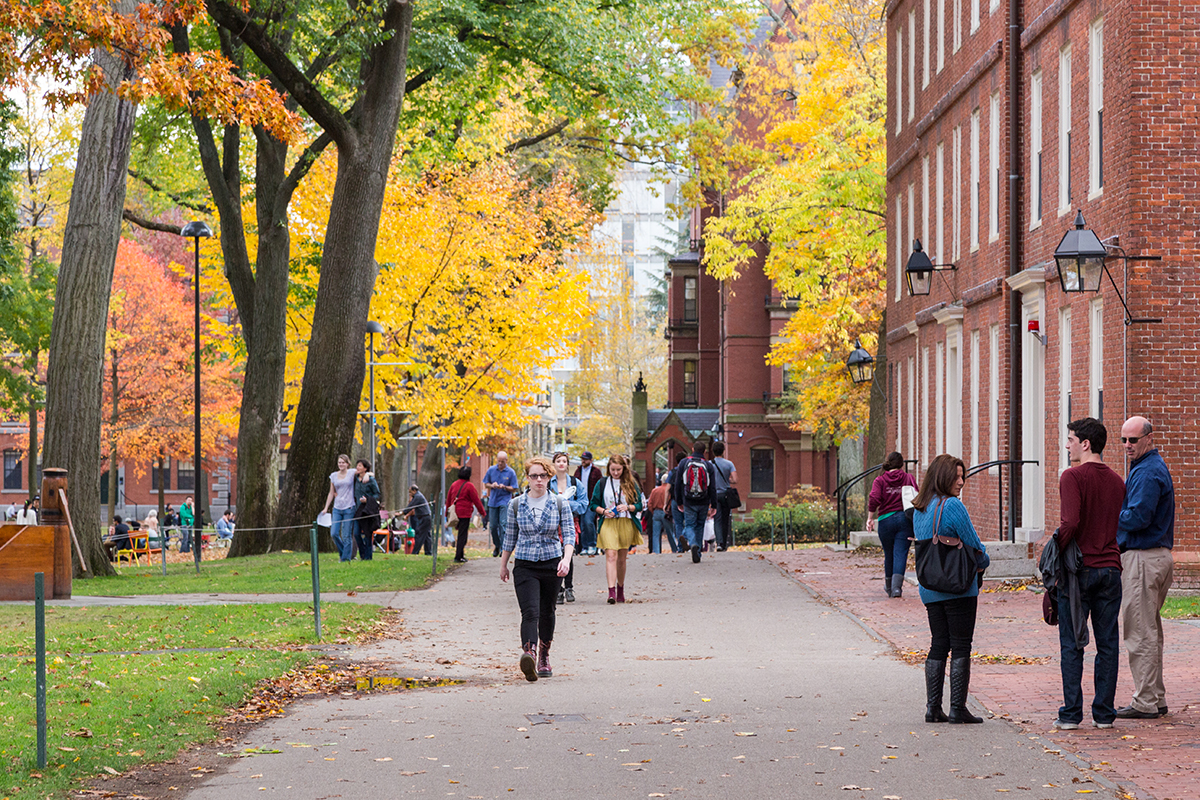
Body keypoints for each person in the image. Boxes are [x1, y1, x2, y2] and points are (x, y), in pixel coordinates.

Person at [1052, 417, 1125, 730]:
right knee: (1107, 643)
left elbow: (1069, 523)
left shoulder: (1072, 477)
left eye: (1070, 439)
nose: (1066, 445)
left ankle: (1071, 714)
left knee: (1072, 642)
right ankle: (1104, 714)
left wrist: (1055, 548)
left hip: (1079, 571)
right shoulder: (1118, 481)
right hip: (1110, 569)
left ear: (1086, 443)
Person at [911, 453, 990, 724]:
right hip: (958, 587)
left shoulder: (919, 508)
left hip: (929, 588)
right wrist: (984, 562)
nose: (961, 481)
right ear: (942, 477)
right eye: (956, 476)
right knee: (960, 645)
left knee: (938, 644)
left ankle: (933, 708)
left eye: (962, 476)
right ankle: (958, 708)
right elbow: (974, 546)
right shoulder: (952, 506)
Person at [1115, 415, 1176, 720]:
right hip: (1155, 557)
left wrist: (1109, 515)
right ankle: (1156, 697)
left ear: (1149, 439)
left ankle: (1145, 701)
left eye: (1133, 440)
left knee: (1139, 632)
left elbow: (1139, 517)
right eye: (1123, 439)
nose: (1127, 445)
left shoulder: (1148, 472)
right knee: (1149, 630)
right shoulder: (1147, 468)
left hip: (1143, 558)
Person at [500, 456, 575, 681]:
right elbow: (510, 536)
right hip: (525, 564)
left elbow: (569, 535)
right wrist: (503, 564)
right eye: (534, 476)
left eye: (543, 476)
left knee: (547, 611)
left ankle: (544, 654)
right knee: (530, 611)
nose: (539, 480)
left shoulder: (560, 503)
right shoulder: (515, 504)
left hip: (552, 563)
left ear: (549, 477)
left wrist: (566, 559)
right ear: (528, 478)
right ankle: (529, 654)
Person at [590, 454, 644, 603]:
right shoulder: (602, 483)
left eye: (618, 469)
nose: (615, 473)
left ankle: (620, 589)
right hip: (608, 522)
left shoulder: (630, 483)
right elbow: (593, 504)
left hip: (625, 522)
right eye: (612, 469)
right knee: (611, 555)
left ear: (624, 469)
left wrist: (628, 507)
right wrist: (603, 511)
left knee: (621, 559)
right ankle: (611, 591)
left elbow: (640, 504)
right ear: (608, 468)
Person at [867, 452, 920, 598]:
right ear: (901, 464)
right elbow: (918, 496)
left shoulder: (880, 480)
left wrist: (870, 518)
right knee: (901, 553)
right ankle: (897, 588)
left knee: (888, 553)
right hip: (905, 519)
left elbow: (874, 498)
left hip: (885, 520)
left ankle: (889, 586)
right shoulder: (909, 478)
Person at [549, 451, 588, 604]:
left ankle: (569, 587)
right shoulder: (548, 483)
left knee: (568, 554)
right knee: (555, 554)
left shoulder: (575, 482)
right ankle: (558, 589)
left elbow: (584, 504)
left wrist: (566, 503)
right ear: (554, 464)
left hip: (570, 521)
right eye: (558, 461)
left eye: (564, 461)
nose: (561, 464)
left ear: (567, 464)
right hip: (552, 523)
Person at [673, 441, 716, 563]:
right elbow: (712, 487)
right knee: (700, 525)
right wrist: (714, 504)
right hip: (703, 500)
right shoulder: (708, 465)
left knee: (690, 524)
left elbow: (678, 484)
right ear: (705, 451)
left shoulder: (684, 463)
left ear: (692, 449)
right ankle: (697, 551)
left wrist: (679, 501)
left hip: (689, 500)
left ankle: (692, 543)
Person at [320, 455, 357, 562]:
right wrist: (326, 508)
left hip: (349, 507)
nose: (341, 464)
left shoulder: (351, 473)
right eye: (339, 462)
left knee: (346, 535)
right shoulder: (333, 476)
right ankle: (344, 553)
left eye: (343, 462)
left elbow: (366, 472)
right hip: (337, 507)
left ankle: (345, 559)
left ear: (347, 464)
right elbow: (331, 493)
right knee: (334, 533)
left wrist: (368, 475)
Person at [447, 465, 485, 563]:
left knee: (460, 534)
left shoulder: (454, 484)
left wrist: (447, 511)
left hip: (455, 512)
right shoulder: (469, 486)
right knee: (462, 535)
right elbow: (476, 500)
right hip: (465, 513)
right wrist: (482, 512)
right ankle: (458, 556)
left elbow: (448, 499)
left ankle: (460, 554)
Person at [483, 451, 519, 557]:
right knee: (493, 526)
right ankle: (497, 545)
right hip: (493, 501)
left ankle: (504, 548)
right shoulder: (491, 470)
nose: (500, 463)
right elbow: (486, 484)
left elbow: (514, 488)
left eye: (502, 461)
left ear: (506, 461)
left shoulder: (511, 472)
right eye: (498, 461)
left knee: (503, 524)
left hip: (504, 500)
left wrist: (505, 487)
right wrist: (492, 485)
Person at [573, 451, 604, 555]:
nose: (583, 461)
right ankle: (584, 547)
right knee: (582, 525)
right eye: (582, 459)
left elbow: (600, 487)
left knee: (588, 522)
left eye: (585, 459)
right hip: (580, 501)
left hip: (591, 502)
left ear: (591, 460)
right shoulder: (578, 471)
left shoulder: (596, 471)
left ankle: (592, 545)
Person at [710, 441, 738, 551]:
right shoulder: (729, 464)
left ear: (713, 451)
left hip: (715, 494)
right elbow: (735, 479)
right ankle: (725, 543)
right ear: (723, 451)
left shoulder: (709, 464)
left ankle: (719, 543)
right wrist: (728, 480)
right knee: (726, 518)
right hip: (726, 494)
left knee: (717, 519)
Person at [353, 459, 381, 561]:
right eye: (357, 465)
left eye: (360, 466)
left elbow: (377, 493)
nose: (357, 467)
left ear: (365, 468)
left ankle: (368, 557)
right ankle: (363, 554)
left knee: (368, 534)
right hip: (357, 510)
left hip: (367, 510)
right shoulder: (355, 478)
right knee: (356, 533)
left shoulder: (371, 480)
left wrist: (367, 499)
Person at [645, 473, 673, 554]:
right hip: (666, 512)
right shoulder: (669, 491)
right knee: (670, 532)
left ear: (661, 481)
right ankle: (674, 549)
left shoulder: (655, 490)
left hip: (656, 512)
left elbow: (649, 504)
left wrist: (653, 511)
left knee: (656, 534)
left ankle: (656, 551)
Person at [403, 484, 433, 555]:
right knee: (427, 536)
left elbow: (411, 506)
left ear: (414, 490)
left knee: (420, 535)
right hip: (426, 517)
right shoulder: (417, 496)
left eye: (410, 492)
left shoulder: (418, 496)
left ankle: (415, 552)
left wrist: (403, 512)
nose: (410, 494)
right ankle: (428, 552)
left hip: (425, 518)